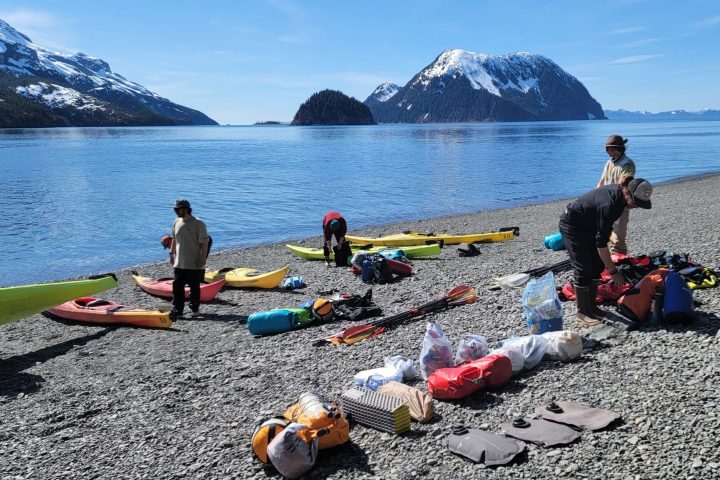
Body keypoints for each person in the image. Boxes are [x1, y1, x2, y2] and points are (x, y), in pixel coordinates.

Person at [559, 178, 653, 327]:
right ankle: (582, 312)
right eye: (635, 202)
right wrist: (613, 271)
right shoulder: (610, 204)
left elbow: (601, 238)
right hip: (573, 226)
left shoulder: (620, 198)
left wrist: (607, 267)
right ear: (627, 191)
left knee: (597, 266)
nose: (635, 206)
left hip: (589, 226)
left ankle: (592, 307)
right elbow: (601, 243)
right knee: (583, 268)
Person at [168, 199, 209, 320]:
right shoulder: (176, 221)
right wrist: (171, 254)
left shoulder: (198, 223)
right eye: (175, 209)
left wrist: (202, 259)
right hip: (179, 263)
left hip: (194, 263)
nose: (176, 211)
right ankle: (178, 310)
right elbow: (174, 239)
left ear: (186, 209)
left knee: (194, 288)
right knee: (177, 288)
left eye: (178, 209)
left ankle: (195, 309)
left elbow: (204, 243)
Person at [596, 134, 636, 255]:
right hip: (605, 202)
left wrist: (628, 199)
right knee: (605, 231)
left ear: (620, 149)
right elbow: (602, 181)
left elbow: (624, 182)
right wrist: (596, 195)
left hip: (619, 203)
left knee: (618, 234)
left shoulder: (627, 164)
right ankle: (609, 256)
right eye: (608, 150)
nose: (610, 153)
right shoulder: (609, 163)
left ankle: (620, 256)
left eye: (613, 150)